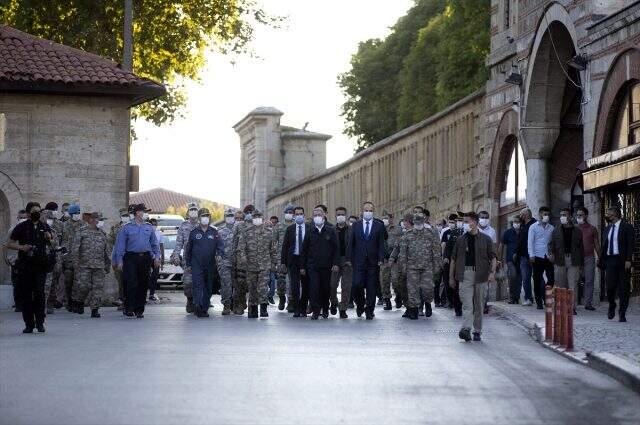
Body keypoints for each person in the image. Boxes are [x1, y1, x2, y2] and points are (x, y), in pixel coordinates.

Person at [449, 212, 497, 342]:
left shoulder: (486, 239)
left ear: (475, 222)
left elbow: (493, 257)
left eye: (467, 221)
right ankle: (466, 329)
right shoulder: (460, 240)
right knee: (467, 304)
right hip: (465, 274)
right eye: (464, 222)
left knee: (479, 305)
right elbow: (453, 259)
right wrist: (451, 277)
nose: (465, 224)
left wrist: (492, 273)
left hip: (481, 275)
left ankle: (477, 330)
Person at [7, 202, 53, 333]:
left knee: (39, 294)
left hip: (40, 265)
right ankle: (28, 324)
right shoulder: (21, 227)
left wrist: (49, 238)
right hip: (25, 266)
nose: (37, 213)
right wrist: (22, 247)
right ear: (28, 213)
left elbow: (52, 243)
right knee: (26, 295)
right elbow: (9, 244)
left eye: (39, 211)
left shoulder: (45, 226)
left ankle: (40, 323)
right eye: (34, 211)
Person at [113, 203, 160, 318]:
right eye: (144, 211)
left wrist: (157, 257)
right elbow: (120, 245)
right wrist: (119, 260)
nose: (145, 214)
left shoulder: (148, 227)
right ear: (137, 213)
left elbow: (155, 244)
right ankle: (129, 307)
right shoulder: (127, 227)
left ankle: (139, 309)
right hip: (130, 258)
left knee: (143, 283)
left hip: (145, 258)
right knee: (131, 282)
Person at [398, 212, 442, 320]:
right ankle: (414, 310)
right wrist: (403, 267)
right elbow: (403, 253)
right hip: (412, 267)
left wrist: (437, 266)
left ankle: (427, 303)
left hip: (427, 267)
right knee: (413, 290)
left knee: (428, 289)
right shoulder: (407, 235)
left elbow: (436, 251)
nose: (418, 224)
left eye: (420, 222)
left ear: (424, 222)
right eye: (416, 222)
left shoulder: (430, 234)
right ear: (414, 222)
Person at [348, 201, 386, 320]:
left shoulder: (378, 226)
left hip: (373, 262)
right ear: (362, 211)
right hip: (358, 261)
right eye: (366, 210)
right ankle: (360, 304)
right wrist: (349, 259)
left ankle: (370, 309)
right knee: (356, 285)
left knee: (371, 287)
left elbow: (381, 244)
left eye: (370, 210)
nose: (368, 212)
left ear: (373, 212)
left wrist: (381, 258)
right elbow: (351, 243)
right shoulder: (356, 225)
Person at [301, 207, 339, 319]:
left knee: (325, 288)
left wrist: (335, 263)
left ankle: (325, 308)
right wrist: (303, 266)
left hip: (326, 266)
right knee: (314, 288)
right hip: (312, 266)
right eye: (315, 215)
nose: (317, 217)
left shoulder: (330, 230)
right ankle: (316, 310)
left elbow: (336, 249)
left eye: (319, 214)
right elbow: (304, 250)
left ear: (324, 216)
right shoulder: (310, 231)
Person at [236, 209, 276, 318]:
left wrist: (274, 263)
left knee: (263, 288)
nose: (257, 218)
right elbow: (241, 248)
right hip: (250, 265)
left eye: (259, 216)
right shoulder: (246, 232)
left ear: (262, 218)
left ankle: (263, 308)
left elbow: (273, 249)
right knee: (252, 288)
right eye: (255, 216)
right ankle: (252, 309)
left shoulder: (269, 232)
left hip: (265, 265)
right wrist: (243, 259)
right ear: (252, 218)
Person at [184, 208, 223, 318]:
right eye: (203, 216)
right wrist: (188, 264)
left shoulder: (214, 232)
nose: (205, 218)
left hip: (210, 265)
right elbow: (189, 249)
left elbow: (220, 246)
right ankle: (198, 306)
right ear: (199, 218)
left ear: (209, 218)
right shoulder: (194, 233)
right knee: (197, 286)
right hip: (197, 264)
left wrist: (220, 255)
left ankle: (204, 308)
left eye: (207, 216)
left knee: (208, 287)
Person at [71, 211, 111, 317]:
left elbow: (106, 251)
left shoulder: (102, 234)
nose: (101, 222)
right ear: (92, 220)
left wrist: (107, 265)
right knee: (83, 286)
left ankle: (95, 309)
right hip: (84, 265)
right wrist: (75, 264)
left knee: (98, 288)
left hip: (99, 265)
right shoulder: (81, 231)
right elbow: (75, 249)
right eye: (100, 219)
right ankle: (79, 301)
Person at [600, 206, 634, 322]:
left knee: (624, 288)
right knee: (610, 287)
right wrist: (602, 259)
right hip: (610, 260)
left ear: (616, 214)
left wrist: (629, 259)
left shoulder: (627, 227)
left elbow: (630, 245)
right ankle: (612, 305)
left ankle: (622, 312)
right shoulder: (607, 228)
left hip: (623, 260)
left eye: (609, 214)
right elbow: (604, 245)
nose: (607, 216)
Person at [548, 208, 583, 315]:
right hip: (560, 260)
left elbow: (581, 247)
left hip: (574, 260)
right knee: (560, 284)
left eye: (564, 214)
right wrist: (551, 254)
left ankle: (572, 307)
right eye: (561, 215)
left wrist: (582, 264)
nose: (562, 217)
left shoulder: (577, 231)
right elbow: (551, 244)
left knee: (573, 284)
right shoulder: (556, 230)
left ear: (570, 217)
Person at [281, 206, 310, 317]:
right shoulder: (290, 229)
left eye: (300, 214)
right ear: (294, 216)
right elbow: (285, 246)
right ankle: (296, 308)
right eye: (296, 214)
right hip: (293, 260)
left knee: (306, 285)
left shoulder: (309, 228)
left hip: (306, 261)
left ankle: (303, 307)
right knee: (295, 285)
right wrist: (283, 262)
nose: (299, 216)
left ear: (304, 215)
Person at [171, 202, 200, 313]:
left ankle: (200, 302)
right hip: (188, 259)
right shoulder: (183, 225)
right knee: (188, 282)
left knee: (200, 282)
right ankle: (190, 299)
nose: (193, 212)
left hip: (201, 259)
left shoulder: (202, 225)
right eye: (191, 210)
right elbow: (179, 243)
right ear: (188, 212)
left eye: (195, 210)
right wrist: (176, 255)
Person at [528, 206, 555, 309]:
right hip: (537, 256)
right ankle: (539, 301)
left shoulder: (551, 228)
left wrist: (552, 254)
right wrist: (531, 255)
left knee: (551, 278)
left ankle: (546, 295)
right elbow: (530, 242)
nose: (546, 216)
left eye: (548, 214)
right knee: (537, 279)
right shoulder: (533, 227)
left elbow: (552, 243)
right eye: (544, 214)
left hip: (548, 256)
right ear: (540, 214)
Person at [329, 206, 352, 318]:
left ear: (346, 216)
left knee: (346, 287)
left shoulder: (351, 230)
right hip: (335, 261)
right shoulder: (332, 230)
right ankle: (333, 302)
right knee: (332, 285)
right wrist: (333, 263)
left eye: (342, 214)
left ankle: (343, 309)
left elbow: (353, 246)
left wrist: (351, 260)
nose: (340, 216)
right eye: (338, 214)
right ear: (335, 216)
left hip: (347, 261)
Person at [576, 207, 600, 310]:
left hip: (589, 257)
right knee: (575, 280)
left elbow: (596, 244)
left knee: (589, 280)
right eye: (577, 215)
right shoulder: (574, 228)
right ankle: (574, 303)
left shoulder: (592, 228)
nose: (579, 216)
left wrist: (600, 256)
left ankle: (588, 303)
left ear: (586, 215)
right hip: (576, 258)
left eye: (581, 215)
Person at [62, 204, 84, 312]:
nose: (77, 215)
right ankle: (69, 301)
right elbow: (61, 240)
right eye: (75, 213)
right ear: (71, 214)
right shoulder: (64, 225)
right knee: (68, 281)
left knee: (79, 282)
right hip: (68, 258)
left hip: (80, 258)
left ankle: (77, 303)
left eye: (78, 213)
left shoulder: (83, 225)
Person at [231, 205, 254, 315]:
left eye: (251, 212)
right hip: (240, 261)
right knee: (240, 284)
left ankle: (251, 306)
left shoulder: (257, 226)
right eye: (247, 212)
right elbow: (234, 243)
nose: (249, 214)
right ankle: (239, 304)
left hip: (254, 261)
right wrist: (234, 259)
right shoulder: (239, 227)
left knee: (252, 284)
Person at [4, 209, 28, 312]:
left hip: (28, 261)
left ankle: (26, 303)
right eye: (21, 218)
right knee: (17, 284)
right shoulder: (12, 230)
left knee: (27, 284)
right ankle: (18, 305)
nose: (22, 220)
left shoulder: (30, 229)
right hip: (16, 261)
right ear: (17, 218)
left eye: (24, 218)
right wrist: (5, 258)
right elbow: (6, 244)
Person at [43, 202, 64, 312]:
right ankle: (42, 306)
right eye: (48, 218)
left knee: (52, 284)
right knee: (44, 285)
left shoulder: (54, 232)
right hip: (41, 262)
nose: (50, 220)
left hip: (52, 261)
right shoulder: (37, 230)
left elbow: (57, 248)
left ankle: (50, 303)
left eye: (51, 218)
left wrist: (58, 263)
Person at [272, 204, 294, 310]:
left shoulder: (295, 225)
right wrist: (274, 257)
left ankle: (291, 301)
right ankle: (282, 298)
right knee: (281, 281)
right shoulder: (279, 226)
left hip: (292, 257)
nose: (289, 214)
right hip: (281, 257)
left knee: (291, 280)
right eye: (287, 212)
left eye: (291, 212)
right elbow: (273, 241)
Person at [390, 214, 413, 314]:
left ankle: (414, 308)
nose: (403, 223)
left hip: (413, 266)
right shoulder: (402, 236)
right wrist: (391, 258)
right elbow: (396, 248)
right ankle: (407, 306)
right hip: (402, 266)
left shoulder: (416, 234)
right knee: (401, 286)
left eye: (405, 221)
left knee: (413, 288)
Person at [441, 214, 463, 316]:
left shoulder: (471, 233)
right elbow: (448, 247)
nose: (459, 223)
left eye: (461, 221)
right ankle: (457, 306)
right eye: (457, 221)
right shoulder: (453, 233)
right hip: (454, 262)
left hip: (467, 264)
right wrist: (445, 257)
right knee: (455, 286)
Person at [109, 207, 131, 310]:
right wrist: (113, 259)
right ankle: (122, 300)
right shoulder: (115, 228)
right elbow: (110, 243)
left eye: (127, 215)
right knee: (120, 280)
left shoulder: (133, 226)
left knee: (130, 280)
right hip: (119, 258)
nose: (125, 217)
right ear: (120, 216)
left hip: (131, 258)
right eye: (123, 216)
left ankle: (129, 301)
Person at [216, 208, 236, 315]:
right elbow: (217, 248)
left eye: (231, 216)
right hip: (224, 262)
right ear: (224, 218)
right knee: (226, 284)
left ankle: (236, 303)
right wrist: (218, 260)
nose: (230, 218)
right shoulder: (219, 231)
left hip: (237, 262)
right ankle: (226, 305)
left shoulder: (240, 229)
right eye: (228, 216)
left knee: (237, 285)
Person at [379, 210, 401, 311]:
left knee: (396, 280)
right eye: (383, 218)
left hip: (395, 259)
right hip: (384, 259)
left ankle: (398, 296)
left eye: (387, 218)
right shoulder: (380, 229)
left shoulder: (398, 229)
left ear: (391, 219)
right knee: (384, 280)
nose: (385, 220)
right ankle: (387, 300)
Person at [498, 216, 522, 304]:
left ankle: (517, 297)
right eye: (515, 222)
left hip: (521, 259)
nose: (517, 223)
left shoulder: (523, 232)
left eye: (518, 222)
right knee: (513, 276)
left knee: (519, 279)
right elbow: (501, 245)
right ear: (512, 223)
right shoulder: (507, 232)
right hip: (510, 260)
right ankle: (511, 297)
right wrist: (499, 260)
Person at [517, 209, 536, 306]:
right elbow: (520, 240)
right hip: (524, 256)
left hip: (533, 255)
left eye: (521, 214)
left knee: (537, 277)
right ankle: (528, 298)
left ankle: (540, 297)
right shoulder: (522, 225)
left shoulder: (535, 224)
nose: (520, 216)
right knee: (525, 278)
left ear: (526, 215)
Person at [147, 218, 164, 301]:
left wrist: (162, 259)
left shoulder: (159, 234)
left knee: (155, 275)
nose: (154, 226)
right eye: (152, 224)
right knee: (146, 275)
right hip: (148, 257)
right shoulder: (147, 233)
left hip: (157, 258)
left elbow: (161, 246)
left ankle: (152, 293)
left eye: (155, 224)